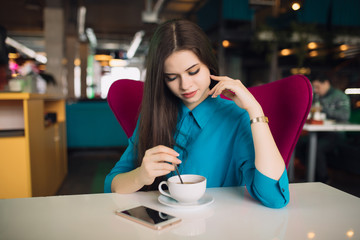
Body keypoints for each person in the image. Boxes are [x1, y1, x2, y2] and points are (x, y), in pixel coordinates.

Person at [104, 19, 289, 208]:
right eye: (172, 77)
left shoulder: (236, 118)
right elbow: (112, 184)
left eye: (193, 72)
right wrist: (141, 175)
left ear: (209, 64)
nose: (185, 85)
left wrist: (255, 110)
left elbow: (275, 198)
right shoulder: (154, 115)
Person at [310, 75, 351, 182]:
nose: (315, 90)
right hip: (318, 132)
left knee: (316, 148)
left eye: (317, 87)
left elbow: (344, 116)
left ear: (326, 83)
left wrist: (324, 109)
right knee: (299, 143)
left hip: (336, 133)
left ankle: (323, 178)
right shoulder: (316, 97)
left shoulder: (340, 96)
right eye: (314, 87)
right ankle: (311, 175)